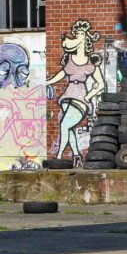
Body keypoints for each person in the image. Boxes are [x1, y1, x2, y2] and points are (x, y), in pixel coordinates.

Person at [45, 21, 105, 161]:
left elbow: (100, 84)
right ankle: (76, 155)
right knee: (68, 128)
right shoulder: (69, 59)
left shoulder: (91, 61)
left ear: (86, 38)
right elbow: (61, 74)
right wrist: (47, 82)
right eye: (77, 33)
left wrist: (89, 96)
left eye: (81, 34)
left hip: (80, 98)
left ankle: (59, 157)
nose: (78, 36)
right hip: (67, 96)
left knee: (64, 125)